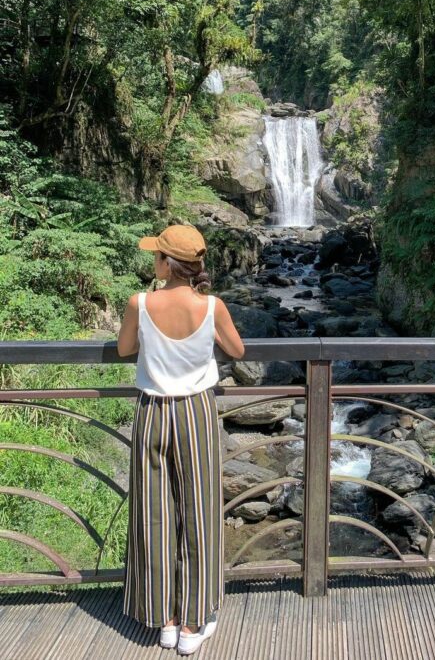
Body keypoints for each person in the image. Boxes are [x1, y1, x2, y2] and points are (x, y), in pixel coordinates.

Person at [117, 223, 245, 655]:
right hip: (195, 413)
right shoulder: (211, 306)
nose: (152, 260)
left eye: (156, 255)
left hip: (153, 412)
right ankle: (193, 623)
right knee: (200, 513)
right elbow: (237, 351)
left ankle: (164, 620)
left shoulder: (139, 303)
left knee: (154, 512)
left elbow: (123, 349)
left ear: (165, 264)